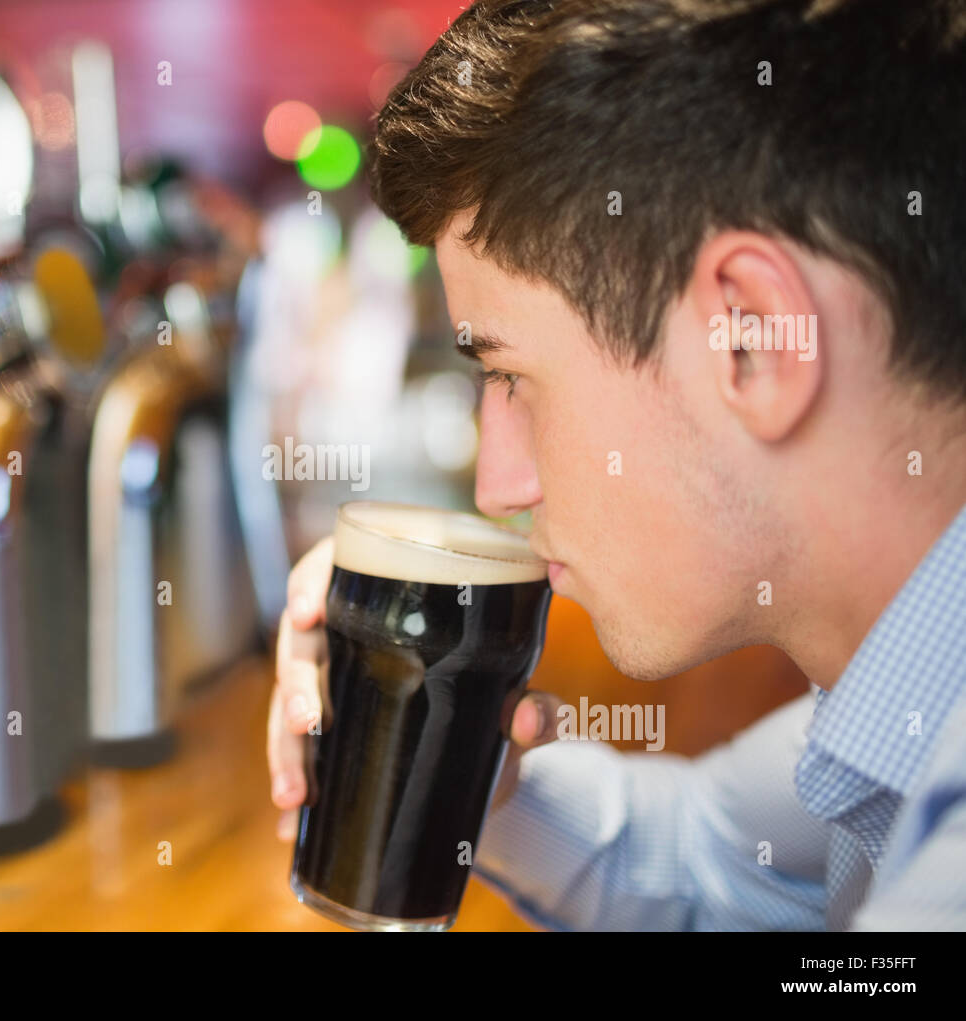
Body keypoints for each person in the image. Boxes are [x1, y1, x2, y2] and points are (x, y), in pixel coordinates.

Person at [267, 0, 966, 931]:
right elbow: (700, 863)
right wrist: (455, 771)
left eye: (510, 375)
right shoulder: (909, 688)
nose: (497, 487)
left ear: (753, 338)